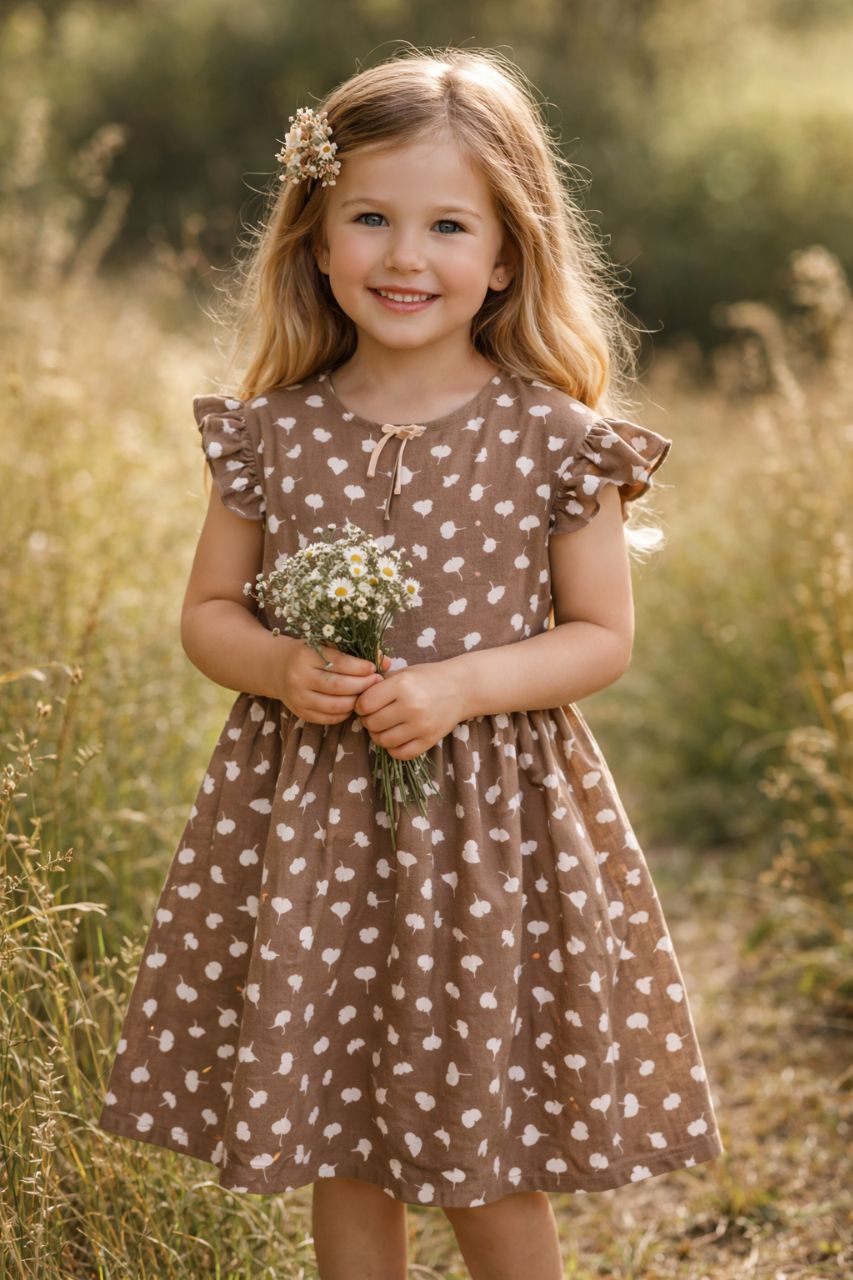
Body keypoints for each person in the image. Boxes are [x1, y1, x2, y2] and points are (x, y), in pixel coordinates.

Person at [98, 45, 725, 1280]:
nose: (404, 255)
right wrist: (280, 666)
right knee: (340, 1137)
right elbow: (208, 612)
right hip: (314, 830)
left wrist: (457, 684)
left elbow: (601, 635)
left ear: (505, 255)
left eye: (447, 225)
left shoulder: (556, 440)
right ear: (315, 238)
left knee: (482, 1149)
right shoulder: (270, 434)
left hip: (488, 836)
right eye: (370, 218)